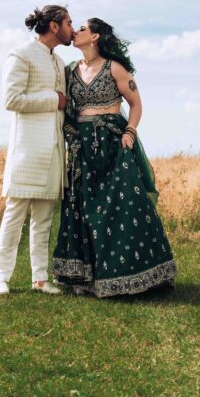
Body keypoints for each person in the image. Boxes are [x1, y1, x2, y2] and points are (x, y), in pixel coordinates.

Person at [52, 18, 176, 297]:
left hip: (113, 142)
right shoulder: (70, 70)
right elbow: (67, 109)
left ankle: (135, 273)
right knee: (83, 206)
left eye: (82, 28)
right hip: (82, 145)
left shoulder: (114, 68)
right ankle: (84, 277)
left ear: (95, 36)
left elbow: (136, 104)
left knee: (123, 206)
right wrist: (72, 136)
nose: (76, 31)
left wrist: (129, 132)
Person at [0, 5, 75, 296]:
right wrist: (53, 99)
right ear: (54, 26)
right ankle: (2, 278)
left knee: (44, 219)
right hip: (27, 150)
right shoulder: (21, 54)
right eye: (68, 23)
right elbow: (12, 99)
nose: (72, 29)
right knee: (14, 216)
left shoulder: (60, 62)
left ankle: (40, 278)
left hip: (54, 151)